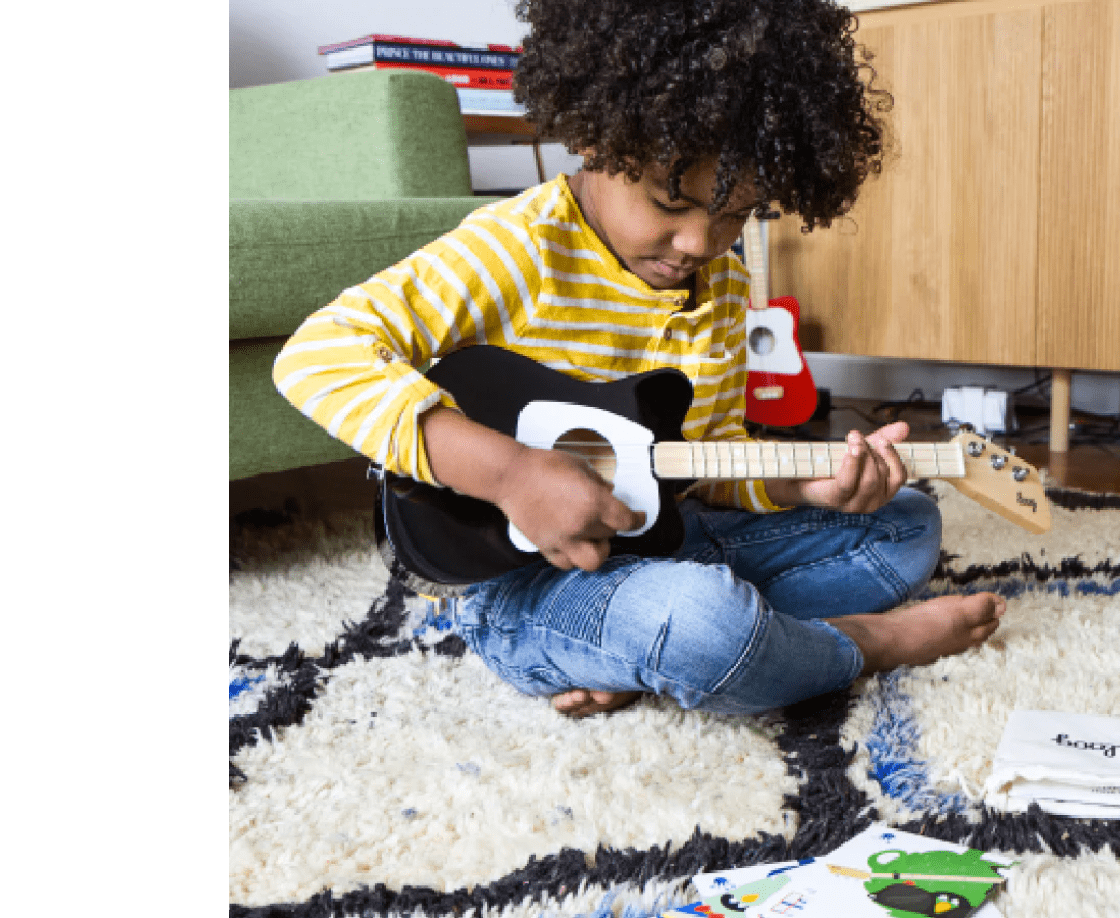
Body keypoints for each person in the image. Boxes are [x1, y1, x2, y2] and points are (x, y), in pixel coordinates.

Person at [273, 0, 1004, 718]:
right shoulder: (512, 250)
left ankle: (662, 649)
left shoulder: (717, 287)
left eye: (732, 213)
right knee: (704, 621)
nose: (698, 242)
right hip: (527, 586)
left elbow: (708, 463)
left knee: (909, 525)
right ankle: (855, 646)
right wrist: (513, 474)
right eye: (671, 202)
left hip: (672, 540)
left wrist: (805, 491)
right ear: (597, 140)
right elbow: (315, 356)